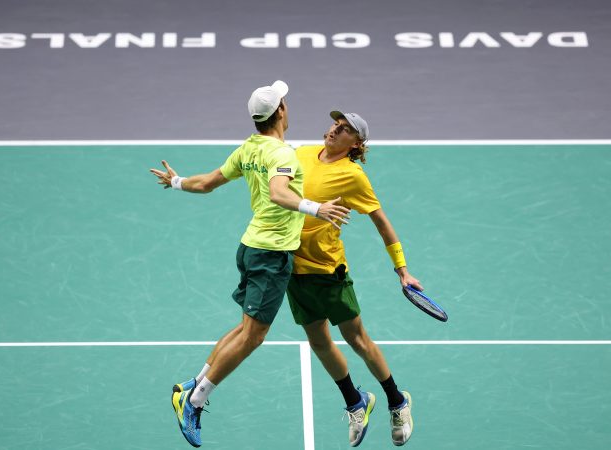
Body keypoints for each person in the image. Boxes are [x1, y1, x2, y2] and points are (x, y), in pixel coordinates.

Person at [149, 81, 350, 448]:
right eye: (285, 101)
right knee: (253, 337)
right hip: (271, 256)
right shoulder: (283, 155)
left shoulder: (249, 149)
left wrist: (176, 181)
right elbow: (278, 192)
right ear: (281, 113)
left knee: (245, 328)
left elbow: (208, 183)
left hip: (250, 248)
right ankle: (195, 400)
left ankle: (193, 386)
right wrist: (315, 207)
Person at [286, 111, 423, 447]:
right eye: (336, 124)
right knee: (318, 342)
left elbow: (381, 222)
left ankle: (397, 401)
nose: (335, 129)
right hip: (293, 269)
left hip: (329, 271)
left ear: (357, 144)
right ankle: (355, 401)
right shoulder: (301, 153)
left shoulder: (352, 176)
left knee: (357, 339)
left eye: (345, 129)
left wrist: (402, 269)